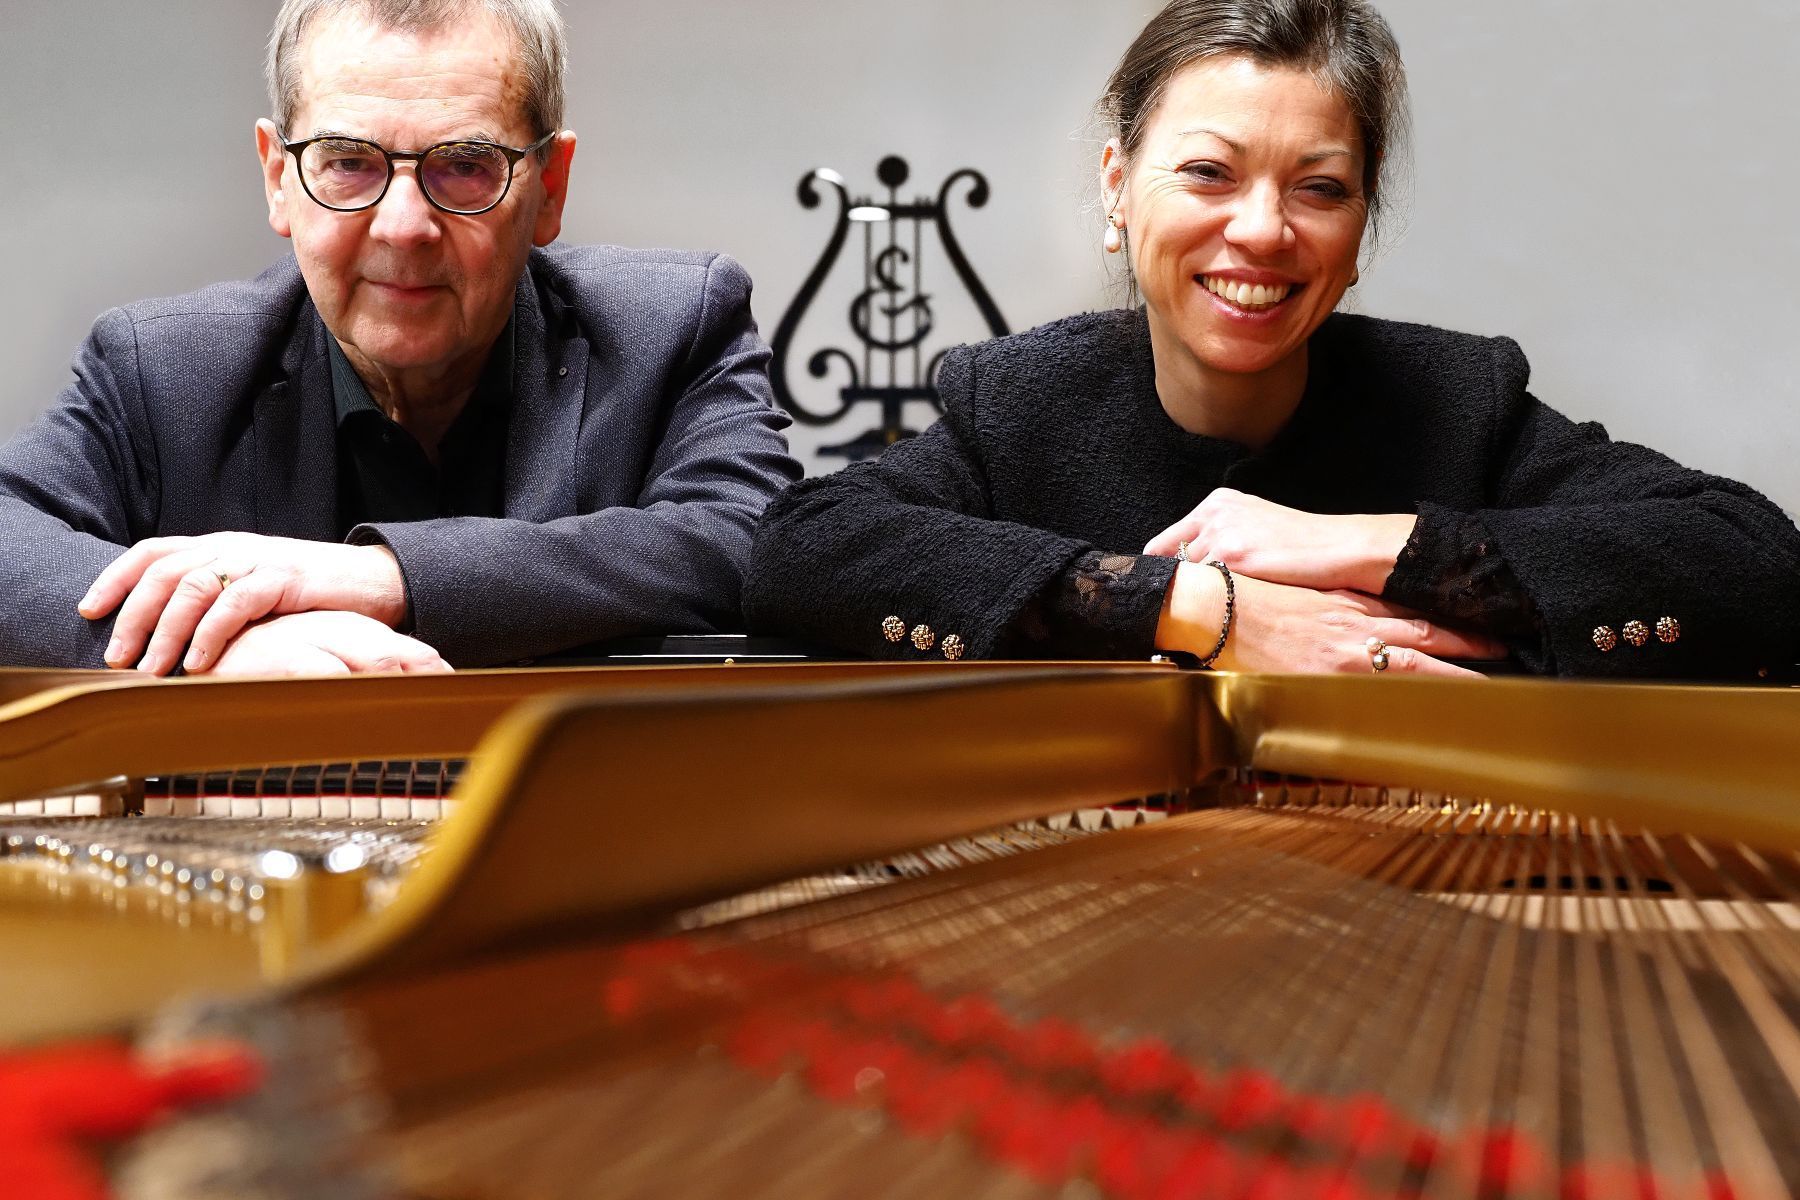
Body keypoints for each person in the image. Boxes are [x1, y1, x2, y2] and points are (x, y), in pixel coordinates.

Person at [744, 0, 1800, 680]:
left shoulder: (1453, 399)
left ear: (1361, 226)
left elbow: (1755, 559)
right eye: (1209, 172)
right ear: (1118, 186)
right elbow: (803, 547)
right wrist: (1196, 606)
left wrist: (1370, 547)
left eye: (1319, 188)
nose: (1261, 230)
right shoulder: (1021, 402)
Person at [0, 0, 798, 677]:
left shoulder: (673, 327)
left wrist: (385, 578)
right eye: (349, 162)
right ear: (279, 178)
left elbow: (754, 541)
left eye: (466, 166)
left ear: (549, 188)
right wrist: (221, 640)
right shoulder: (163, 371)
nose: (404, 226)